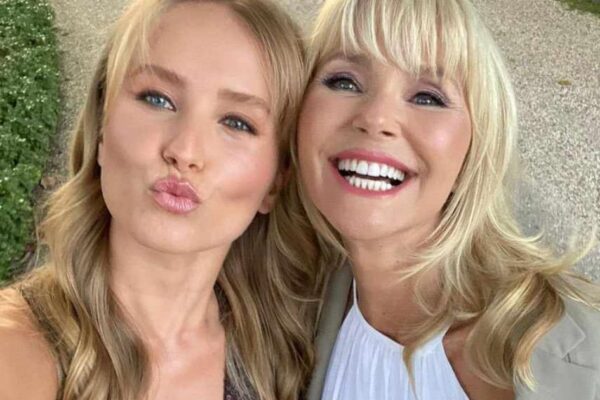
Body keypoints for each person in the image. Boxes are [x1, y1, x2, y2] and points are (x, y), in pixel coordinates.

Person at [0, 0, 322, 399]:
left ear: (276, 181)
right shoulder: (14, 352)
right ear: (101, 128)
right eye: (157, 99)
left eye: (237, 122)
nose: (185, 151)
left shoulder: (285, 356)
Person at [295, 0, 600, 399]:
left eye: (427, 97)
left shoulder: (586, 358)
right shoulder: (286, 308)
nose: (376, 118)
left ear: (475, 148)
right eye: (344, 82)